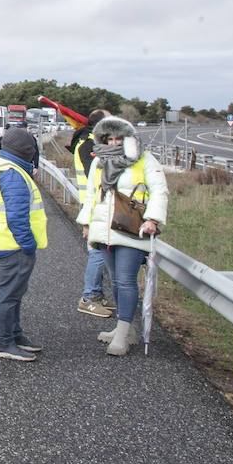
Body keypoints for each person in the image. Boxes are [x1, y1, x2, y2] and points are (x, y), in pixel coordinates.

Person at [75, 116, 168, 356]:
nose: (115, 143)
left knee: (126, 281)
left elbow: (160, 190)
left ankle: (124, 333)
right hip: (104, 230)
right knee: (115, 281)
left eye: (119, 138)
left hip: (131, 230)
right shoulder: (99, 163)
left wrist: (152, 219)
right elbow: (92, 196)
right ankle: (123, 328)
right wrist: (86, 222)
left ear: (128, 139)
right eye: (110, 138)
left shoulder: (144, 159)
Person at [0, 128, 47, 361]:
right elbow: (17, 216)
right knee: (9, 294)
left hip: (1, 240)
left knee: (13, 293)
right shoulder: (12, 172)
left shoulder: (1, 165)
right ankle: (4, 342)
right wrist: (27, 244)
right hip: (13, 245)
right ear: (27, 151)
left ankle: (15, 335)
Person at [71, 109, 116, 318]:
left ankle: (96, 293)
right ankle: (88, 297)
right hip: (94, 205)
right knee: (98, 251)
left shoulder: (91, 142)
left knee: (101, 250)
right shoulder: (88, 145)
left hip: (98, 204)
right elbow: (96, 175)